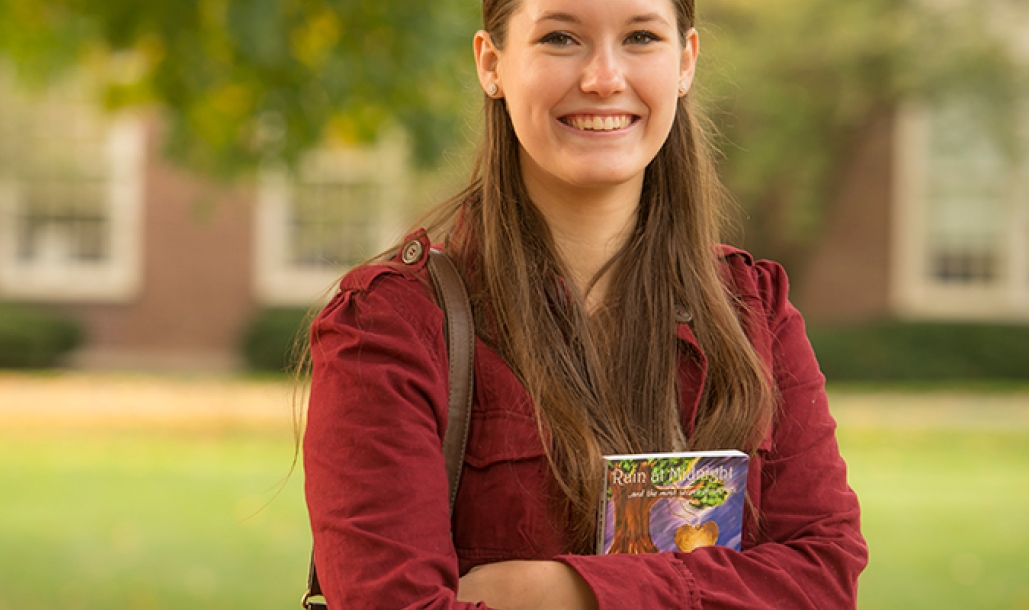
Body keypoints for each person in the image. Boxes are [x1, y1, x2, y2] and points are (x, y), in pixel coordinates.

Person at [302, 0, 868, 607]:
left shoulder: (752, 310)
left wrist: (556, 589)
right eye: (560, 38)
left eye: (642, 37)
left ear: (686, 61)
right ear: (491, 64)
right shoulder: (392, 327)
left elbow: (822, 576)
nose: (603, 79)